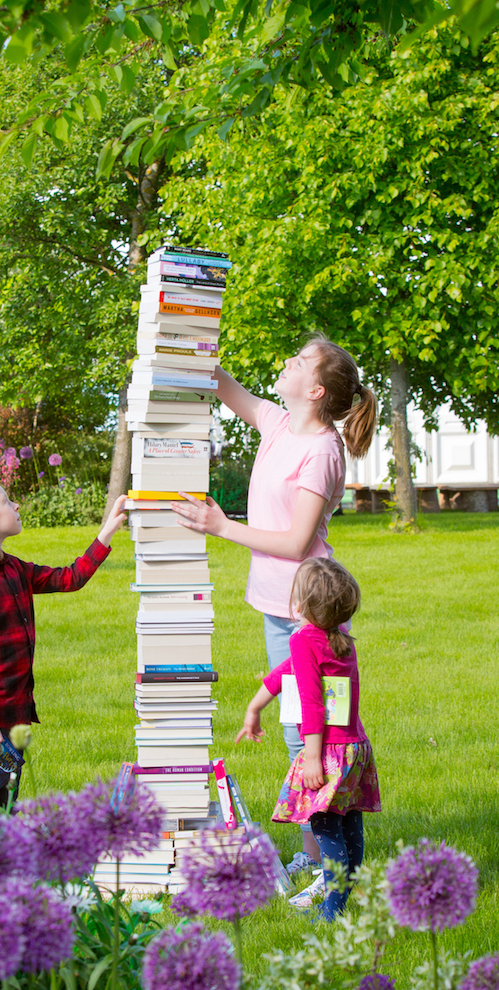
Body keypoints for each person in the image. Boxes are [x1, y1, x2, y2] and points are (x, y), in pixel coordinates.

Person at [172, 334, 378, 871]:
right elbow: (224, 386)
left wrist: (222, 527)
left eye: (300, 360)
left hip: (308, 613)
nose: (287, 361)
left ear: (314, 389)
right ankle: (322, 855)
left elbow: (294, 542)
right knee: (301, 732)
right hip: (276, 607)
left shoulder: (321, 452)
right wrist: (186, 340)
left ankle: (324, 860)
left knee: (314, 734)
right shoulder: (280, 423)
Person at [0, 478, 128, 807]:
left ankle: (9, 858)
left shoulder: (14, 568)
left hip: (13, 712)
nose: (16, 506)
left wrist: (107, 532)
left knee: (5, 803)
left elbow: (70, 578)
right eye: (7, 501)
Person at [236, 557, 380, 919]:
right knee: (348, 821)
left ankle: (332, 908)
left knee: (324, 823)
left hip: (327, 751)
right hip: (354, 748)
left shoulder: (303, 638)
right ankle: (346, 894)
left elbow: (313, 703)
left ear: (299, 606)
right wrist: (255, 706)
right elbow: (287, 671)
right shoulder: (340, 638)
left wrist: (312, 756)